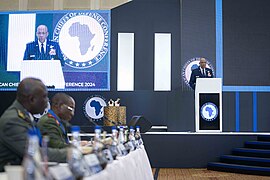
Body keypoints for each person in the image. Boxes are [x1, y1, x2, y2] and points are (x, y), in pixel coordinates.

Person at [0, 78, 67, 172]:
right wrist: (70, 153)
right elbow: (35, 153)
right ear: (32, 99)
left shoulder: (25, 116)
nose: (47, 101)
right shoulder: (12, 121)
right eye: (44, 97)